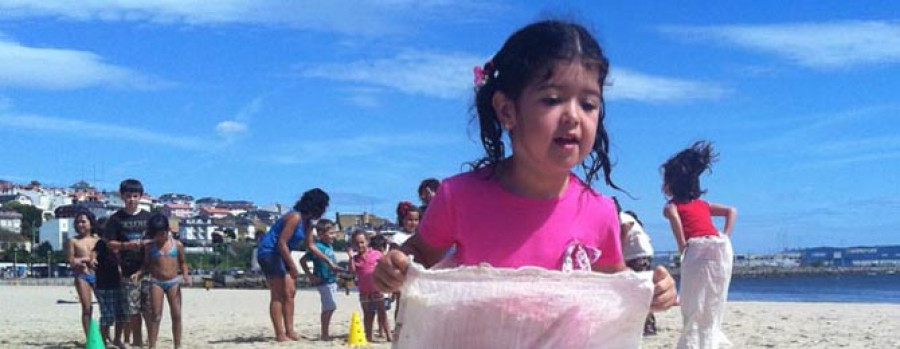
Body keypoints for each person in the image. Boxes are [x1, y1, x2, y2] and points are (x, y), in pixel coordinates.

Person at [374, 18, 676, 320]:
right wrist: (396, 266)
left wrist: (649, 289)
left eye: (588, 104)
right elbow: (421, 253)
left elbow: (615, 279)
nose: (573, 116)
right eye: (553, 99)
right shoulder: (459, 196)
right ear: (507, 110)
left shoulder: (599, 211)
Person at [662, 141, 737, 349]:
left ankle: (694, 344)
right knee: (713, 300)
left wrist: (682, 247)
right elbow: (732, 210)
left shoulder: (672, 205)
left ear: (672, 184)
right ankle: (710, 340)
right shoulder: (703, 204)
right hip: (720, 248)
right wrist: (725, 237)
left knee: (691, 302)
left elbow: (675, 219)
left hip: (697, 249)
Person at [254, 188, 330, 342]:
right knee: (278, 294)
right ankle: (280, 334)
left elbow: (311, 245)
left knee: (290, 292)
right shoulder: (294, 217)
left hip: (282, 254)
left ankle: (290, 330)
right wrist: (293, 267)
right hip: (269, 252)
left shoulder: (308, 223)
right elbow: (281, 243)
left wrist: (329, 262)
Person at [103, 179, 152, 347]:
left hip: (148, 270)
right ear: (122, 196)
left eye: (135, 196)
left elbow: (157, 238)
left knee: (149, 309)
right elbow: (109, 242)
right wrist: (126, 245)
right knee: (132, 310)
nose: (132, 200)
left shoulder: (148, 217)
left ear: (141, 197)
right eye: (128, 196)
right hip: (127, 270)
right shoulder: (115, 219)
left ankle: (151, 341)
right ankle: (136, 341)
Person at [132, 214, 190, 349]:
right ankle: (152, 345)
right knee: (155, 315)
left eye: (162, 234)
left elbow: (183, 263)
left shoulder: (177, 245)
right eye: (156, 235)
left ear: (168, 230)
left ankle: (177, 344)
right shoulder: (150, 247)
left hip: (173, 282)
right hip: (156, 281)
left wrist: (186, 275)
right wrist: (139, 273)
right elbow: (146, 265)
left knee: (176, 314)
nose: (159, 237)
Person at [300, 219, 340, 340]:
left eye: (334, 233)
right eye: (331, 233)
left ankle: (325, 332)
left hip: (331, 279)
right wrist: (310, 275)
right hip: (323, 281)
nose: (334, 236)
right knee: (328, 306)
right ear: (321, 234)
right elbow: (302, 261)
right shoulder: (317, 247)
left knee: (332, 306)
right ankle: (324, 333)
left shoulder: (329, 246)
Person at [347, 230, 390, 342]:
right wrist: (351, 257)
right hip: (364, 291)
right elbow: (352, 271)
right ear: (353, 244)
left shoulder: (376, 254)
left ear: (367, 242)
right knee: (368, 315)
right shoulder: (355, 259)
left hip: (377, 289)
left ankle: (388, 335)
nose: (360, 245)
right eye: (356, 243)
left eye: (362, 242)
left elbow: (385, 266)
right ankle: (369, 336)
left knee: (382, 313)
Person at [620, 209, 657, 335]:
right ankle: (645, 325)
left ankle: (648, 326)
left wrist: (618, 250)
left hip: (637, 256)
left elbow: (625, 226)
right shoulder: (637, 227)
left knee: (640, 291)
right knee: (639, 290)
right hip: (637, 256)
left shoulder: (623, 217)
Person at [66, 209, 99, 339]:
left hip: (97, 275)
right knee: (87, 308)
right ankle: (89, 336)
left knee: (105, 306)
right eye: (78, 222)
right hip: (82, 276)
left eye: (83, 222)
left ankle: (104, 334)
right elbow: (72, 261)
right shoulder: (73, 241)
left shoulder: (97, 240)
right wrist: (86, 260)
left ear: (90, 223)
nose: (81, 225)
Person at [93, 236, 127, 348]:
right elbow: (93, 254)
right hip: (103, 285)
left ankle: (117, 339)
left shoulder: (121, 242)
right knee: (107, 316)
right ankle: (102, 341)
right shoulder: (101, 243)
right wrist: (92, 260)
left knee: (122, 314)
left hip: (117, 283)